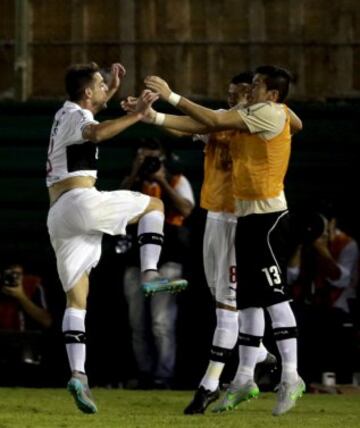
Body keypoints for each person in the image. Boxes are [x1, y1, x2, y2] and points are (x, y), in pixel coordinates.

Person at [139, 65, 304, 416]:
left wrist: (169, 97)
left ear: (262, 94)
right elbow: (198, 124)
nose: (232, 99)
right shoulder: (234, 117)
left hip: (257, 216)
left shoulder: (264, 115)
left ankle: (242, 380)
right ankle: (249, 370)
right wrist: (153, 116)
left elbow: (286, 120)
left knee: (250, 302)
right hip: (232, 216)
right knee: (244, 300)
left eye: (245, 90)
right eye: (231, 94)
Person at [45, 62, 188, 414]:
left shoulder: (67, 113)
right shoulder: (78, 115)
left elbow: (91, 116)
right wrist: (139, 114)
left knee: (77, 302)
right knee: (154, 204)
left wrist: (110, 92)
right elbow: (96, 132)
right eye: (100, 83)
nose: (105, 84)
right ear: (87, 93)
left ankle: (79, 374)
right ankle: (150, 273)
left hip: (59, 214)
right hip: (80, 201)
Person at [121, 139, 195, 389]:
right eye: (144, 158)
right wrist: (135, 171)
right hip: (135, 261)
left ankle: (163, 376)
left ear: (164, 159)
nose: (150, 163)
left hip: (168, 261)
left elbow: (187, 210)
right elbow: (118, 205)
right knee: (136, 323)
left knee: (161, 322)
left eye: (154, 158)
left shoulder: (177, 180)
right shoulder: (134, 182)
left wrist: (161, 179)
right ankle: (144, 373)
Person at [288, 206, 359, 384]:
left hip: (337, 304)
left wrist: (322, 250)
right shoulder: (305, 239)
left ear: (332, 223)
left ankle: (336, 379)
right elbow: (291, 276)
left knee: (328, 323)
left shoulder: (346, 244)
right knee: (292, 318)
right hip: (307, 302)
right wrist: (299, 246)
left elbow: (340, 280)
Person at [0, 263, 52, 384]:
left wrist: (21, 296)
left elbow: (47, 321)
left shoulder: (33, 286)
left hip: (27, 350)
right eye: (8, 274)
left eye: (17, 274)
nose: (12, 278)